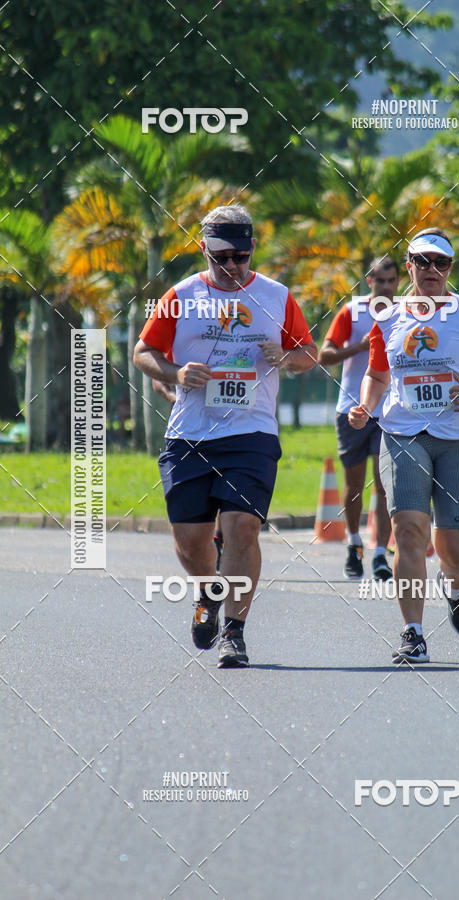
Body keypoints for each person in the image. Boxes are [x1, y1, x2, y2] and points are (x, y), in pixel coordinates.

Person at [134, 204, 317, 666]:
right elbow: (143, 351)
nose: (233, 266)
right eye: (222, 257)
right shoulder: (180, 296)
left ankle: (234, 632)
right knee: (191, 543)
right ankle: (209, 591)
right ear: (204, 250)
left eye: (241, 256)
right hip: (190, 435)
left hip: (251, 431)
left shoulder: (276, 296)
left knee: (241, 527)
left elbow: (309, 353)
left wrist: (286, 358)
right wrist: (176, 372)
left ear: (253, 249)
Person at [348, 227, 459, 663]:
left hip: (458, 438)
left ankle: (455, 587)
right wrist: (364, 406)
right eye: (423, 261)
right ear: (408, 266)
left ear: (451, 269)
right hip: (402, 434)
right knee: (409, 532)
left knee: (457, 548)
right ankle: (412, 632)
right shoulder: (389, 317)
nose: (433, 270)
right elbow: (377, 375)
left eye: (442, 263)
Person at [318, 257, 397, 581]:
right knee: (353, 486)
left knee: (385, 486)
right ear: (369, 281)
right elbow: (324, 356)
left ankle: (380, 552)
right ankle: (354, 543)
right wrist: (360, 347)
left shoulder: (405, 313)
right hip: (352, 408)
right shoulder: (353, 312)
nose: (386, 287)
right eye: (380, 281)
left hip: (389, 412)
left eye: (392, 281)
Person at [153, 377, 224, 569]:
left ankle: (220, 534)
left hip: (228, 427)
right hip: (189, 429)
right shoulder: (178, 351)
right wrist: (173, 396)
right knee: (200, 494)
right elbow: (157, 380)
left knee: (224, 488)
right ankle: (211, 543)